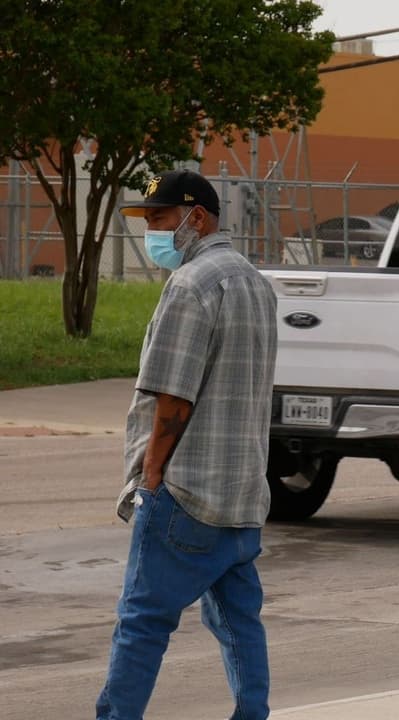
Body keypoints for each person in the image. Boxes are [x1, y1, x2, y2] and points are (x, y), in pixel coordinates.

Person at [97, 170, 278, 720]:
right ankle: (253, 713)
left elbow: (172, 399)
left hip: (187, 492)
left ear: (196, 218)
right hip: (241, 493)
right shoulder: (254, 281)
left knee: (142, 622)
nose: (152, 232)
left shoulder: (191, 284)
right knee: (238, 619)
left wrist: (151, 481)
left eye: (160, 219)